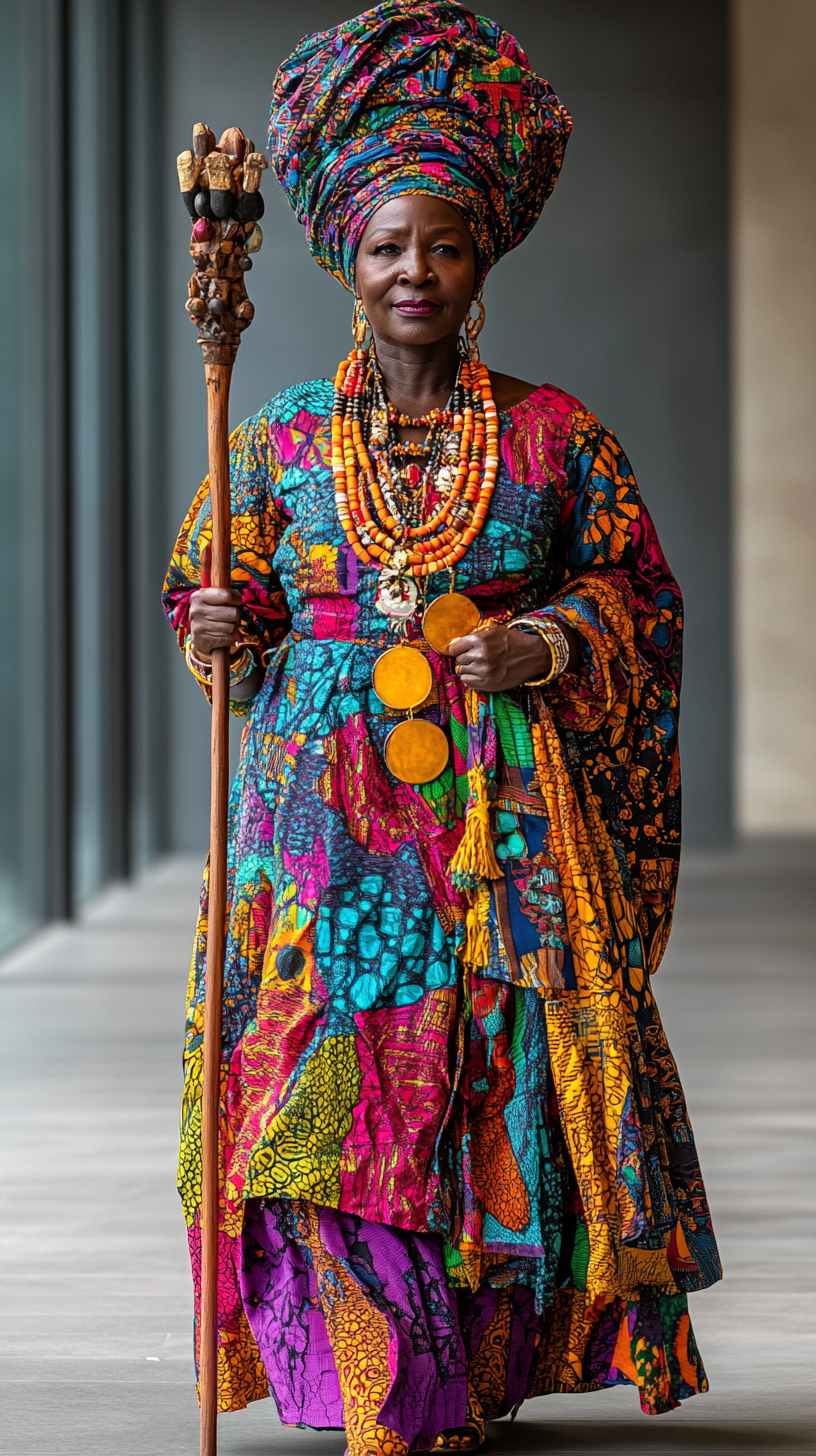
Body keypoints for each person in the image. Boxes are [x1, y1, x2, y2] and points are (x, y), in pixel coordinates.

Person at [163, 5, 721, 1451]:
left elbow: (639, 598)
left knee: (480, 1080)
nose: (417, 269)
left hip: (493, 829)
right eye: (391, 243)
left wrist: (549, 638)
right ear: (349, 258)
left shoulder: (555, 438)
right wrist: (226, 630)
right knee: (308, 1079)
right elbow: (215, 594)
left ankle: (457, 1370)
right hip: (314, 837)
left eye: (447, 245)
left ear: (482, 265)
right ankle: (375, 1380)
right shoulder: (277, 434)